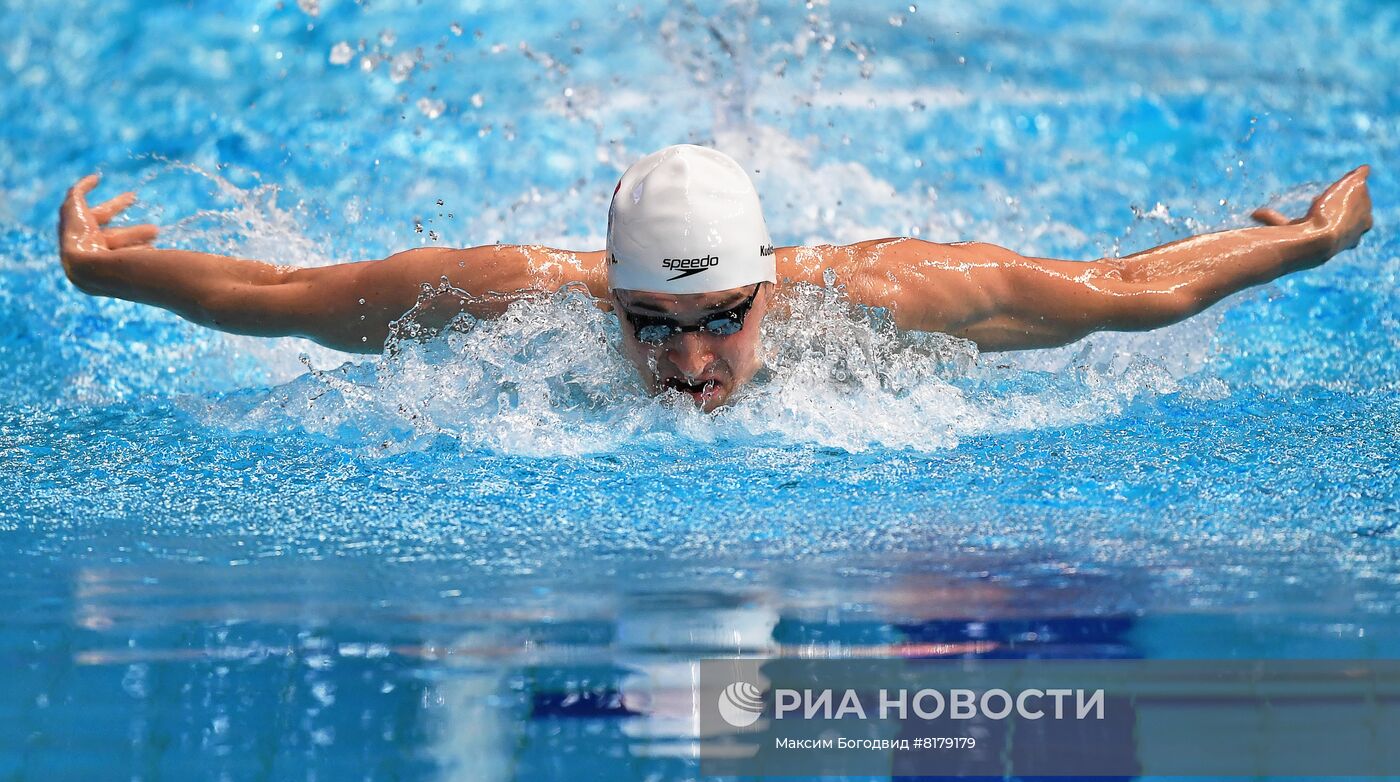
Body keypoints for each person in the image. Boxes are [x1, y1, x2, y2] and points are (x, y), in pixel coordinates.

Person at [58, 145, 1372, 412]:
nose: (689, 366)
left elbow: (1131, 286)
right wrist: (117, 280)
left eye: (721, 323)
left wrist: (1304, 241)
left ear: (769, 289)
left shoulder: (887, 298)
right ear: (605, 298)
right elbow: (289, 299)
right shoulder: (522, 296)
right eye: (651, 326)